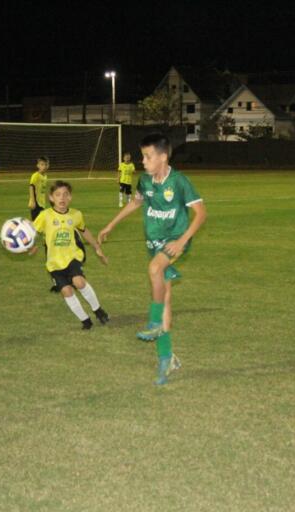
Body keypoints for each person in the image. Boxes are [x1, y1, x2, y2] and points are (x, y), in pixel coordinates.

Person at [99, 133, 207, 385]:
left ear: (163, 157)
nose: (143, 161)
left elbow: (201, 213)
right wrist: (110, 225)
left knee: (155, 268)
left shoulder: (179, 182)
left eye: (148, 157)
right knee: (165, 294)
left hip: (175, 239)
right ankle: (166, 357)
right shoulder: (145, 181)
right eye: (143, 156)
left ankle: (155, 321)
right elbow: (135, 203)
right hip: (153, 241)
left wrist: (182, 240)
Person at [30, 181, 110, 329]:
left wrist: (96, 247)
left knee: (79, 282)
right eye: (58, 194)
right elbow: (32, 232)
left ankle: (98, 311)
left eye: (66, 194)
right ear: (51, 198)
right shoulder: (45, 215)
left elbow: (84, 231)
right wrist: (31, 246)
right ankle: (85, 320)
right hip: (54, 263)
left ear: (70, 197)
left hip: (73, 256)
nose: (62, 198)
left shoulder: (76, 214)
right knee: (67, 291)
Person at [28, 156, 49, 220]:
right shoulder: (35, 175)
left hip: (42, 203)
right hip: (36, 203)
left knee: (40, 221)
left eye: (46, 165)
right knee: (36, 221)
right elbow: (31, 187)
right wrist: (32, 200)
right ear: (38, 165)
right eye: (42, 165)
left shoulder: (45, 176)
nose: (44, 167)